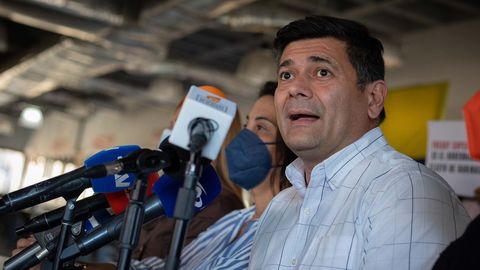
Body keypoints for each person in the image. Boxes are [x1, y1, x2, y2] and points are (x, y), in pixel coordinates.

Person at [248, 16, 471, 270]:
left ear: (374, 98)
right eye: (286, 75)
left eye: (322, 72)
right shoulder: (280, 207)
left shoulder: (404, 190)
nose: (295, 88)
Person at [129, 81, 296, 269]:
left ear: (290, 146)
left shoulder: (289, 231)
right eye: (246, 125)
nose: (244, 137)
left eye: (261, 127)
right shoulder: (235, 219)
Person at [133, 85, 245, 260]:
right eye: (171, 126)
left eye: (179, 127)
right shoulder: (168, 191)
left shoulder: (219, 205)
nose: (169, 136)